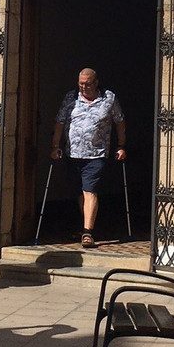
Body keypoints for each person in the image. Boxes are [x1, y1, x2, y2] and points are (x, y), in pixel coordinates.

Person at [50, 68, 127, 248]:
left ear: (96, 82)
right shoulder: (71, 98)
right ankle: (87, 223)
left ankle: (87, 232)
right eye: (81, 84)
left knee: (89, 190)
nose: (83, 87)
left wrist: (122, 145)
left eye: (87, 84)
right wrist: (55, 146)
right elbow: (60, 122)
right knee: (80, 192)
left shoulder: (109, 98)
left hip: (96, 154)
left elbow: (120, 121)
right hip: (73, 153)